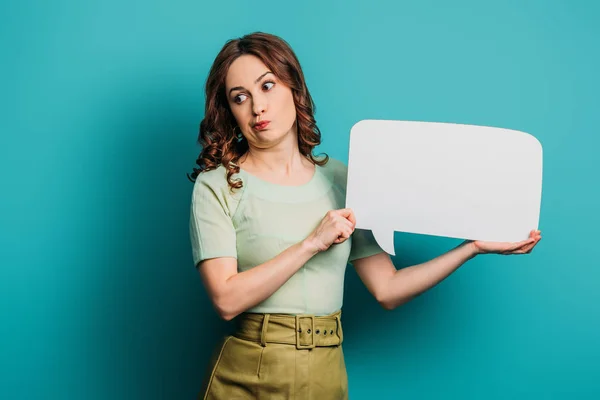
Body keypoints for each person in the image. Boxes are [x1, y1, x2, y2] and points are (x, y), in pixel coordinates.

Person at [187, 32, 542, 400]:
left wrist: (472, 248)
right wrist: (311, 243)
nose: (257, 107)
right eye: (240, 97)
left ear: (294, 88)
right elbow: (226, 300)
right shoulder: (217, 186)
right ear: (229, 111)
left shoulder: (342, 178)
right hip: (247, 373)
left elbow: (387, 289)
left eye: (267, 86)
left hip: (326, 371)